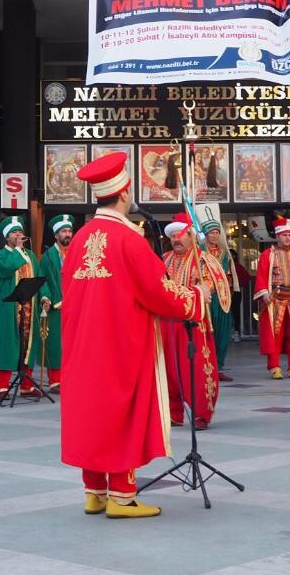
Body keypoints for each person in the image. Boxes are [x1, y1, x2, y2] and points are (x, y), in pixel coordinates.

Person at [61, 151, 209, 519]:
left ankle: (94, 492)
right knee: (122, 415)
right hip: (122, 345)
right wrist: (196, 298)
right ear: (124, 194)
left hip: (82, 346)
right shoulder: (130, 240)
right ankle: (122, 497)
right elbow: (160, 292)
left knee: (94, 413)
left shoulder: (78, 240)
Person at [162, 212, 231, 429]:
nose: (175, 239)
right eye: (172, 236)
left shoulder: (203, 259)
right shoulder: (165, 259)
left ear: (191, 235)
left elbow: (211, 287)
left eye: (179, 235)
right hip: (167, 322)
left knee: (197, 370)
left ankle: (201, 414)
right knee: (169, 370)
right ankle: (174, 413)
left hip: (194, 324)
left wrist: (196, 290)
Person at [0, 215, 44, 401]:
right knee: (8, 345)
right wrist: (17, 250)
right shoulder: (2, 255)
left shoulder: (30, 255)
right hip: (9, 308)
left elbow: (39, 276)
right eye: (14, 232)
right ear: (7, 237)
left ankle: (26, 385)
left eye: (20, 231)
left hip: (29, 307)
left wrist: (44, 295)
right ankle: (3, 386)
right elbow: (6, 268)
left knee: (29, 346)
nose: (18, 234)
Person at [254, 216, 290, 379]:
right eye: (284, 235)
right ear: (277, 236)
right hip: (275, 300)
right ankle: (274, 366)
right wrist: (264, 293)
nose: (287, 238)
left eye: (289, 235)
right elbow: (262, 276)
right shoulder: (267, 254)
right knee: (275, 334)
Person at [39, 214, 74, 393]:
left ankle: (70, 379)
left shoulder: (76, 253)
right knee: (55, 344)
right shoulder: (48, 256)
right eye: (63, 231)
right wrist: (45, 297)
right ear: (56, 235)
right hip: (57, 306)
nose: (67, 234)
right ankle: (55, 381)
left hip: (74, 306)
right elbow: (42, 279)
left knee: (72, 344)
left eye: (69, 231)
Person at [202, 218, 239, 381]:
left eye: (217, 232)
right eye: (212, 232)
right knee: (206, 334)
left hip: (222, 297)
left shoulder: (225, 253)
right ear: (206, 235)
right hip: (207, 298)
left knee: (222, 334)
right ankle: (204, 367)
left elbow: (228, 274)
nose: (215, 235)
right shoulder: (199, 252)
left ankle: (219, 367)